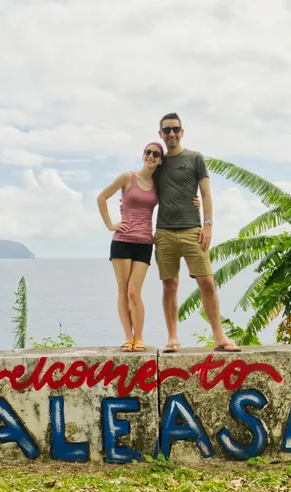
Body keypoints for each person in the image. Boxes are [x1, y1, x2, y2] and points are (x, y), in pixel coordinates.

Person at [96, 142, 200, 352]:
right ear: (143, 155)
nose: (151, 156)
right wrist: (110, 225)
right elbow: (101, 197)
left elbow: (175, 200)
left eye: (156, 154)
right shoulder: (128, 177)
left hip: (144, 242)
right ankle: (128, 338)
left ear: (160, 160)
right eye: (148, 152)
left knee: (134, 292)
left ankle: (139, 338)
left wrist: (194, 202)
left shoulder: (157, 185)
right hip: (122, 241)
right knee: (123, 291)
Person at [153, 112, 241, 352]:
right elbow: (143, 188)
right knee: (169, 285)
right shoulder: (157, 164)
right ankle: (172, 338)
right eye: (167, 130)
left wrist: (208, 224)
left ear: (182, 132)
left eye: (175, 129)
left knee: (207, 283)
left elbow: (205, 194)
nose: (171, 133)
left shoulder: (195, 158)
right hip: (164, 233)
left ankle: (220, 337)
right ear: (160, 134)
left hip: (193, 231)